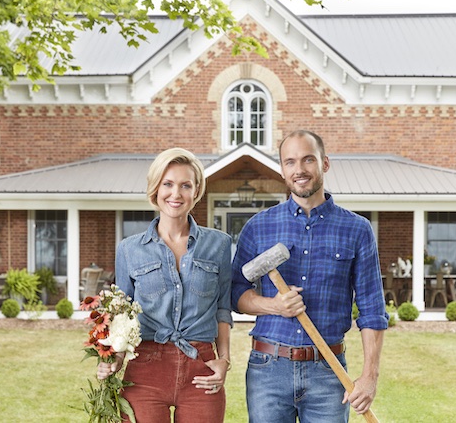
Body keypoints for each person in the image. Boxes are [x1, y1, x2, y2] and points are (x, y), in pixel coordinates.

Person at [231, 130, 389, 422]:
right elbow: (236, 296)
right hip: (268, 369)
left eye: (308, 160)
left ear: (324, 163)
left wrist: (369, 375)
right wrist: (274, 306)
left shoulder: (357, 229)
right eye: (290, 162)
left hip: (328, 371)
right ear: (282, 170)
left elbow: (373, 311)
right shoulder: (258, 227)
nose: (299, 170)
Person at [98, 147, 233, 423]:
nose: (176, 194)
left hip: (201, 367)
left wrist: (224, 360)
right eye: (168, 184)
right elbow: (123, 316)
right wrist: (114, 359)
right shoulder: (129, 250)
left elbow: (223, 309)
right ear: (155, 189)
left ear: (196, 191)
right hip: (146, 370)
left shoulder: (218, 245)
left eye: (186, 185)